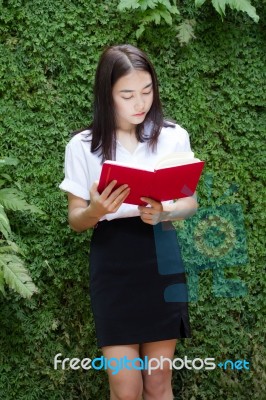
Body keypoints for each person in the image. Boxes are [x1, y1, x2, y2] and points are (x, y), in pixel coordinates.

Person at [60, 44, 198, 400]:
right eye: (128, 95)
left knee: (157, 383)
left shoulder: (172, 136)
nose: (140, 103)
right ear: (107, 95)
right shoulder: (83, 145)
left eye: (147, 91)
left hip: (160, 254)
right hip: (113, 261)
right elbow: (76, 219)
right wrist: (95, 209)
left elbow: (189, 202)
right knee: (125, 387)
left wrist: (165, 212)